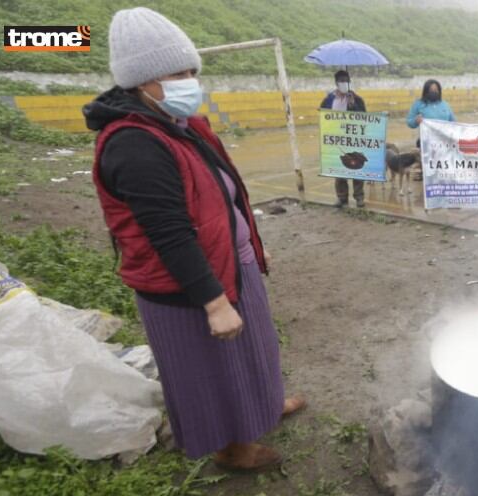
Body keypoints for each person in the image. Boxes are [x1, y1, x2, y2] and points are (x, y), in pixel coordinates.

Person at [84, 7, 305, 471]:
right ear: (142, 82)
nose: (190, 81)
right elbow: (168, 233)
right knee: (212, 371)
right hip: (188, 284)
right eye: (177, 73)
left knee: (254, 351)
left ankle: (263, 409)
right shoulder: (134, 144)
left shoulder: (178, 125)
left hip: (228, 263)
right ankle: (232, 448)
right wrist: (214, 302)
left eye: (192, 71)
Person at [320, 70, 367, 208]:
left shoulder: (357, 99)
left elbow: (364, 117)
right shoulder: (329, 100)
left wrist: (354, 106)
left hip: (354, 137)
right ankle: (342, 198)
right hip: (336, 139)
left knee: (357, 167)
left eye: (346, 81)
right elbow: (323, 115)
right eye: (341, 81)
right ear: (336, 83)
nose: (344, 84)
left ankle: (359, 197)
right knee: (339, 169)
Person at [406, 79, 456, 147]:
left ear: (439, 91)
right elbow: (409, 122)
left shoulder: (445, 104)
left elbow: (454, 123)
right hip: (425, 142)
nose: (433, 92)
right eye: (431, 90)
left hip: (444, 142)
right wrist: (416, 121)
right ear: (426, 91)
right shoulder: (418, 104)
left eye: (436, 90)